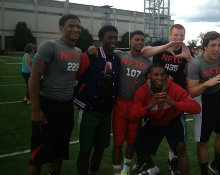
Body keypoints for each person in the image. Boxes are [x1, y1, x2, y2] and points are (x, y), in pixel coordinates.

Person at [27, 14, 82, 175]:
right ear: (61, 28)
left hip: (66, 108)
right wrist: (36, 109)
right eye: (71, 26)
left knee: (59, 152)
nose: (75, 29)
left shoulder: (78, 51)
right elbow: (35, 77)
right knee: (37, 155)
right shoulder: (49, 45)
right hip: (47, 105)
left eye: (78, 26)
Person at [131, 63, 201, 175]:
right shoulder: (142, 91)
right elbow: (133, 116)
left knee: (181, 147)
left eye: (162, 75)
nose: (159, 78)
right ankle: (153, 169)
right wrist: (150, 105)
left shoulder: (173, 87)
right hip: (154, 122)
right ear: (149, 76)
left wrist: (174, 103)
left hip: (171, 121)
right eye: (156, 75)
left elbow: (196, 108)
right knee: (139, 147)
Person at [141, 24, 192, 175]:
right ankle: (149, 165)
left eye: (181, 35)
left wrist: (188, 57)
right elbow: (144, 53)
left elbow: (192, 71)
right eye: (175, 35)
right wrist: (165, 47)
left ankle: (173, 160)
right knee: (147, 134)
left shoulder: (184, 49)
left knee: (177, 137)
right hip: (155, 95)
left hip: (175, 96)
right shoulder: (160, 45)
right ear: (170, 35)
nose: (178, 38)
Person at [187, 31, 220, 175]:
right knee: (203, 140)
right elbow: (192, 92)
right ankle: (204, 171)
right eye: (213, 45)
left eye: (219, 45)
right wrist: (206, 84)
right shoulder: (196, 63)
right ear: (205, 47)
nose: (217, 49)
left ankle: (217, 164)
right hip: (202, 98)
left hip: (217, 96)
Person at [74, 25, 120, 175]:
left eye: (115, 37)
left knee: (101, 147)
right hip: (89, 110)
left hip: (106, 112)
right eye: (109, 37)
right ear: (101, 39)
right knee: (85, 149)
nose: (113, 40)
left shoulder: (117, 59)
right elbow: (76, 77)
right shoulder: (89, 55)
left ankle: (94, 171)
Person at [111, 30, 152, 175]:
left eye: (142, 40)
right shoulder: (120, 55)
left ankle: (125, 171)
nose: (140, 42)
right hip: (120, 104)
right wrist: (92, 49)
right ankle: (117, 172)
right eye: (137, 40)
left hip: (135, 106)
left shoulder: (148, 63)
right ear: (130, 41)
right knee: (117, 142)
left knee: (131, 140)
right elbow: (103, 51)